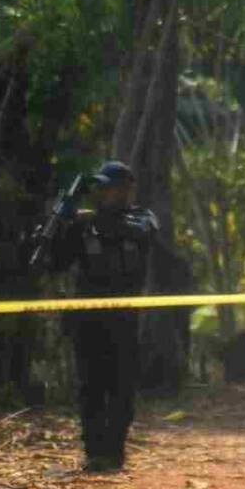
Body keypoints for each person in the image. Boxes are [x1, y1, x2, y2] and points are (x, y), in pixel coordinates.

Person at [46, 161, 159, 472]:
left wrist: (89, 218)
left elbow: (130, 232)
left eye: (112, 186)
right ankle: (95, 454)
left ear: (126, 189)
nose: (105, 192)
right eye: (101, 187)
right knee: (90, 387)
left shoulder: (143, 218)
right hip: (87, 319)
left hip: (124, 319)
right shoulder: (84, 226)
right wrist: (63, 216)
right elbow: (55, 262)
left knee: (121, 388)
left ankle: (114, 452)